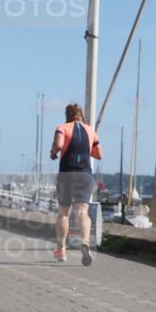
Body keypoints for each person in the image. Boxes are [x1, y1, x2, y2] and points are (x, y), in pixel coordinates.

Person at [49, 103, 102, 265]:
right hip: (85, 175)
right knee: (82, 212)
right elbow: (99, 154)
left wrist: (53, 153)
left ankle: (61, 250)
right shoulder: (91, 131)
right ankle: (85, 241)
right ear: (81, 115)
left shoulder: (62, 127)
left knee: (63, 213)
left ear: (67, 115)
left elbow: (58, 144)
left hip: (67, 173)